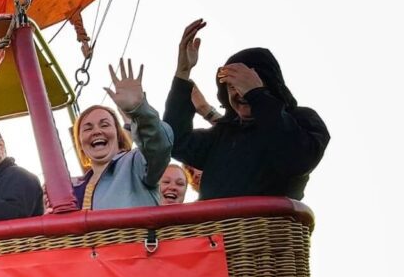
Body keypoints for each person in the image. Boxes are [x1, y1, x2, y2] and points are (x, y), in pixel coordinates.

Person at [164, 19, 330, 200]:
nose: (239, 93)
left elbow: (296, 160)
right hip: (216, 228)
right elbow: (175, 143)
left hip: (266, 227)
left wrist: (257, 95)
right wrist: (183, 72)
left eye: (245, 84)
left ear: (269, 84)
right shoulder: (223, 133)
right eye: (231, 86)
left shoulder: (302, 120)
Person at [72, 59, 173, 210]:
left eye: (104, 124)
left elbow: (158, 147)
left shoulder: (136, 164)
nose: (96, 131)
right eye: (87, 128)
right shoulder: (74, 188)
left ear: (119, 135)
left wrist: (139, 111)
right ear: (80, 143)